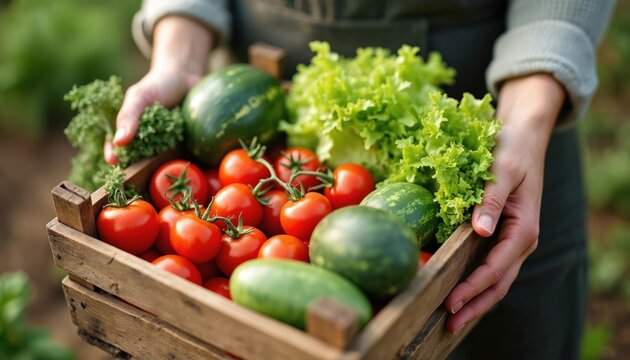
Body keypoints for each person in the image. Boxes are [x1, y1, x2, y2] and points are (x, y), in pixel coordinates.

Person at [105, 1, 615, 359]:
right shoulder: (259, 189)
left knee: (518, 335)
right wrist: (179, 53)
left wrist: (527, 117)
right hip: (262, 93)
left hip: (502, 101)